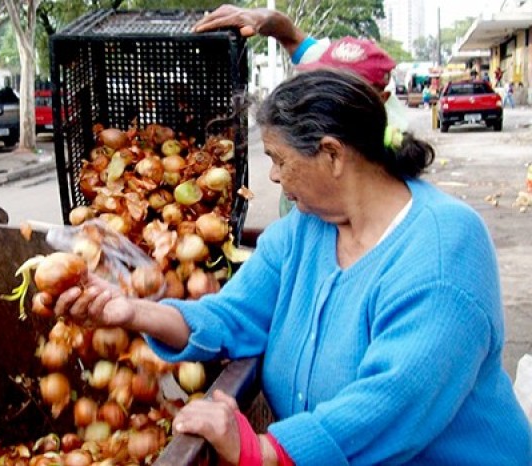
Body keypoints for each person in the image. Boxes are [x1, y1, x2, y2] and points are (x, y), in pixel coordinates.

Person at [54, 69, 532, 465]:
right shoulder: (306, 230)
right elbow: (233, 315)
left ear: (331, 154)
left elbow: (393, 400)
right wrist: (131, 312)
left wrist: (262, 450)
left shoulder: (444, 250)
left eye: (278, 159)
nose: (274, 176)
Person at [192, 5, 407, 218]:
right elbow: (292, 36)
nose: (320, 94)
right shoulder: (320, 83)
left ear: (380, 98)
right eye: (317, 82)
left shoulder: (389, 146)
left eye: (336, 91)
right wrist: (263, 17)